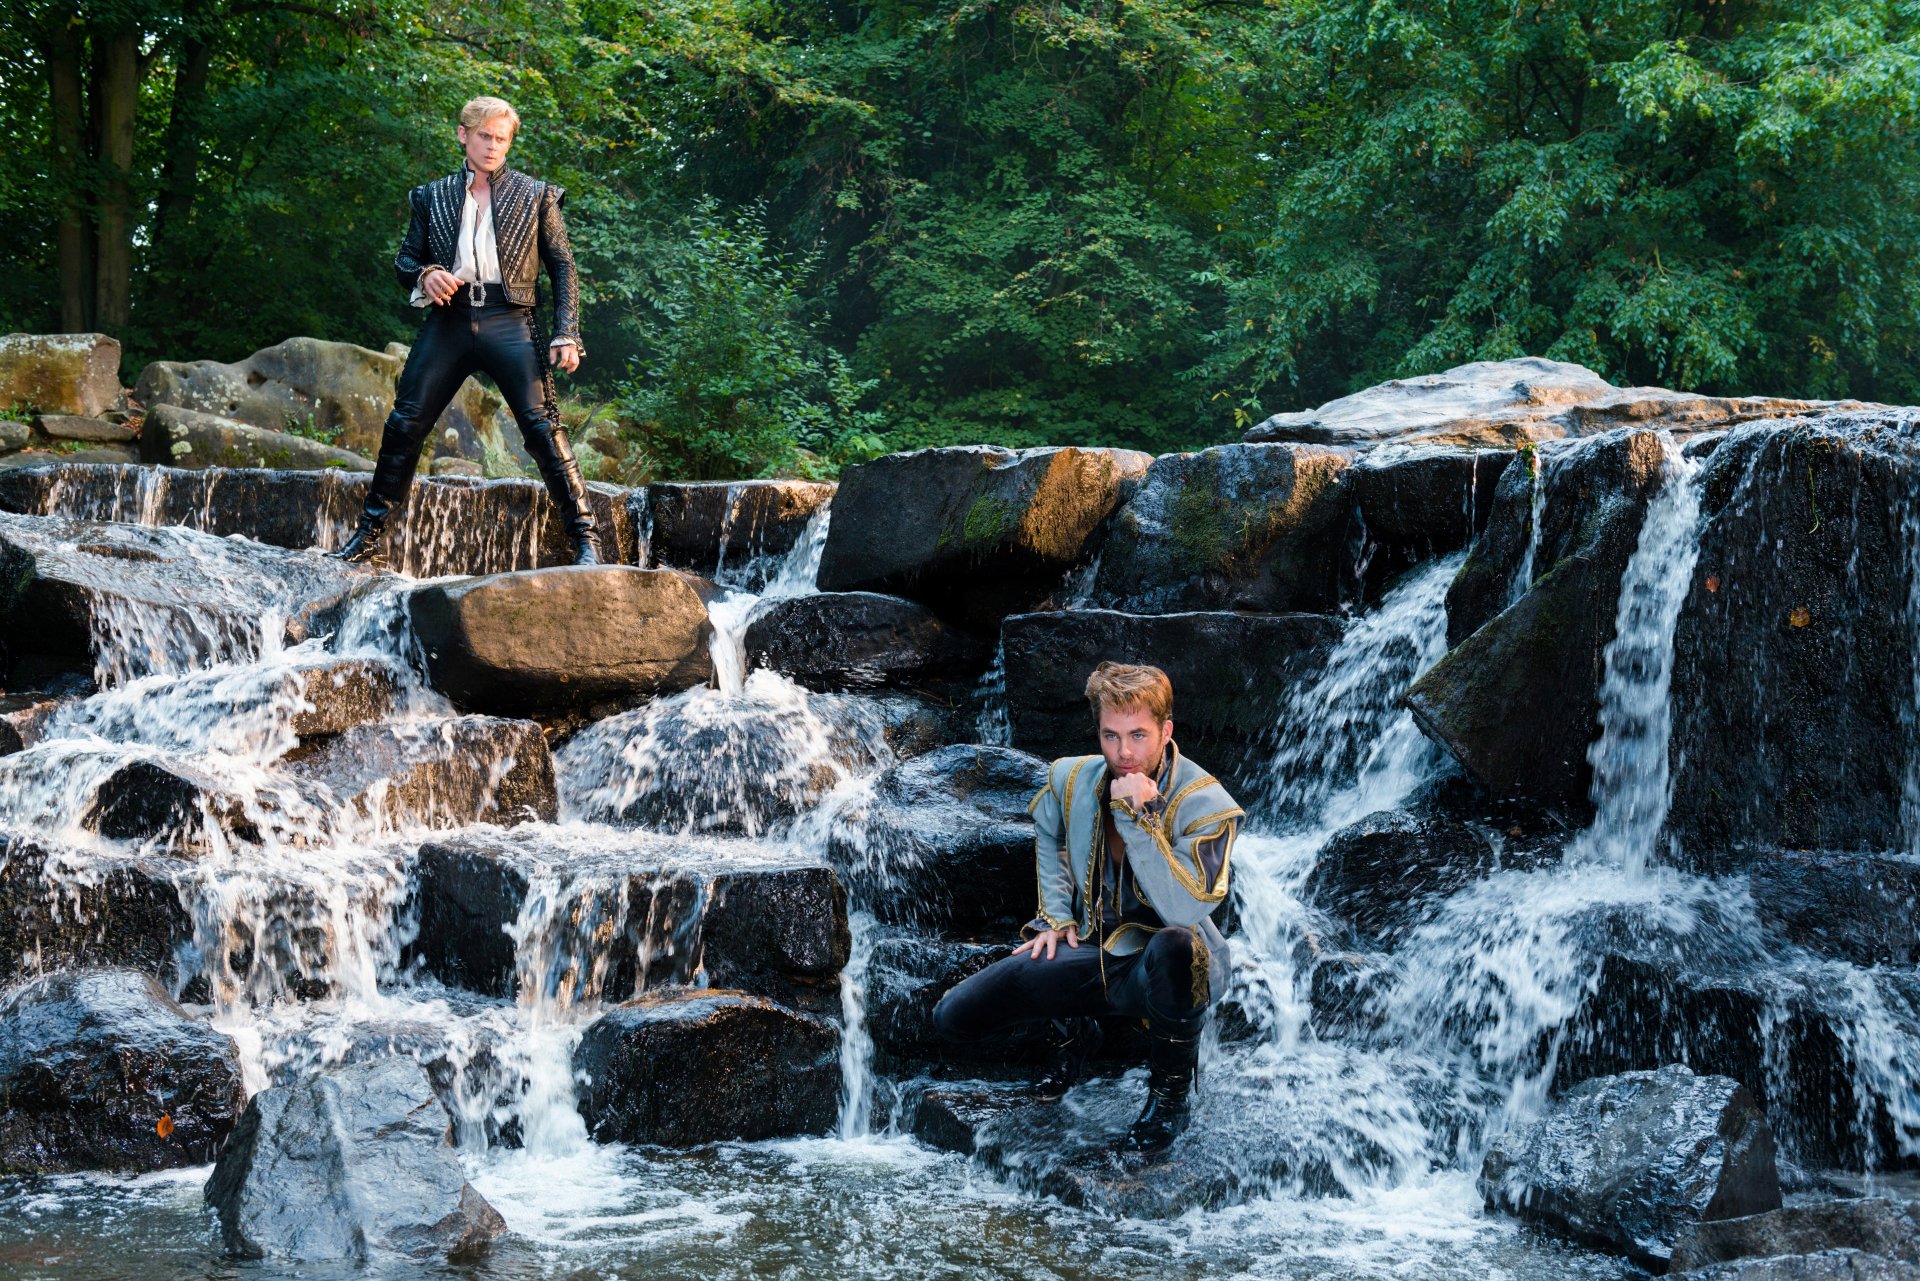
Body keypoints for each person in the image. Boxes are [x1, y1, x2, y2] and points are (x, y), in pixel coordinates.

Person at [931, 661, 1242, 1151]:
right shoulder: (1071, 777)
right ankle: (1076, 1033)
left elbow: (1183, 910)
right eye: (1110, 736)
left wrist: (1138, 817)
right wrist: (1055, 915)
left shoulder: (1209, 805)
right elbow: (1050, 833)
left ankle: (1169, 1098)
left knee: (1177, 945)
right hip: (1093, 954)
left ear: (1166, 732)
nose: (1124, 753)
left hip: (1165, 972)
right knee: (953, 1017)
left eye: (1138, 736)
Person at [325, 95, 597, 567]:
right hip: (449, 319)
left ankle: (587, 541)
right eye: (484, 136)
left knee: (541, 427)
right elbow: (404, 260)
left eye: (501, 139)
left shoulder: (537, 195)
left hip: (510, 319)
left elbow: (563, 266)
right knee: (406, 422)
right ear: (463, 135)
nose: (492, 146)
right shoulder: (431, 195)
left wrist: (566, 332)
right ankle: (367, 537)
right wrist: (425, 273)